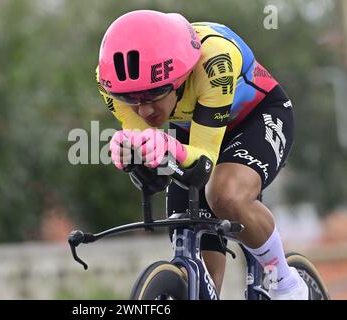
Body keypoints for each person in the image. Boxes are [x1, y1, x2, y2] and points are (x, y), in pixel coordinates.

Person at [96, 9, 308, 300]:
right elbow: (145, 144)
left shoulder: (215, 60)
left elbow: (203, 162)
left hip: (256, 117)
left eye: (153, 95)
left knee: (224, 195)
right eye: (130, 100)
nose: (143, 111)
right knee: (187, 224)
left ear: (181, 76)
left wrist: (168, 150)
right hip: (193, 129)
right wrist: (137, 160)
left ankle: (285, 282)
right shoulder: (110, 81)